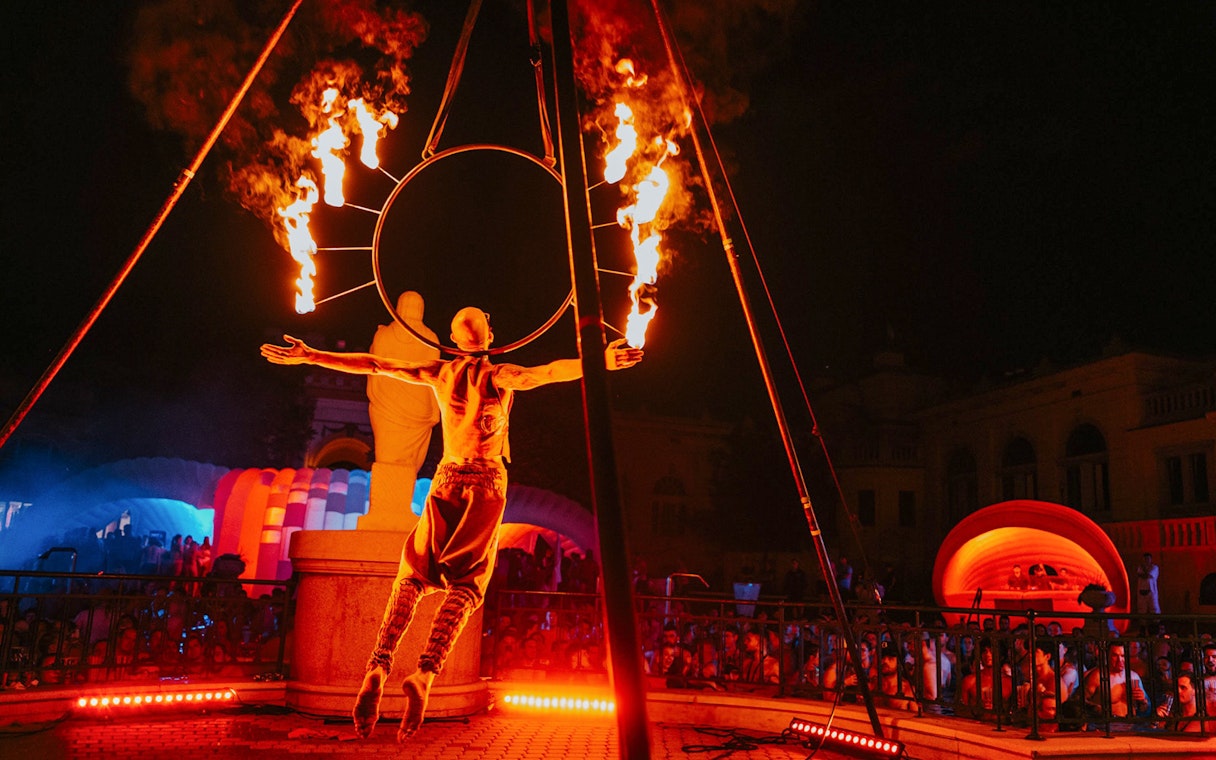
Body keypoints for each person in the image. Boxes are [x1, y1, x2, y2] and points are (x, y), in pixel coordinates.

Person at [261, 309, 643, 742]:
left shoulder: (440, 372)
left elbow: (374, 363)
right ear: (491, 337)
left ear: (453, 341)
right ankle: (425, 672)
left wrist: (311, 355)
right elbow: (549, 372)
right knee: (467, 586)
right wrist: (600, 363)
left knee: (412, 578)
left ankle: (378, 665)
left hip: (446, 476)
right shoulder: (501, 374)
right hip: (485, 479)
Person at [364, 291, 442, 530]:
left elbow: (371, 368)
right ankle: (389, 512)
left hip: (386, 405)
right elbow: (433, 380)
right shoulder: (430, 339)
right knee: (408, 462)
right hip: (416, 410)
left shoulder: (383, 335)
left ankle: (387, 511)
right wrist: (434, 411)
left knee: (386, 457)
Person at [1135, 552, 1160, 618]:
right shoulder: (1140, 568)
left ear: (1151, 559)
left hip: (1151, 592)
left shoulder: (1154, 568)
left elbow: (1148, 575)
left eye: (1148, 559)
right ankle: (1143, 626)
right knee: (1142, 611)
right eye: (1145, 559)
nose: (1146, 560)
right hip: (1142, 592)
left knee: (1154, 609)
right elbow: (1139, 575)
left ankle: (1155, 625)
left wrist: (1144, 573)